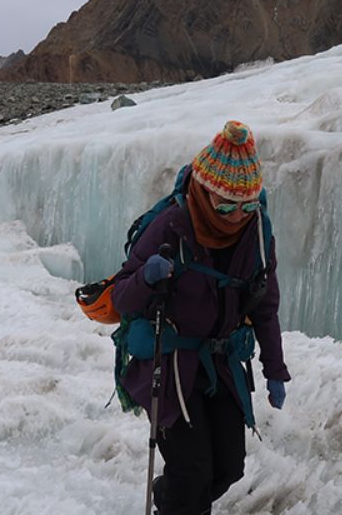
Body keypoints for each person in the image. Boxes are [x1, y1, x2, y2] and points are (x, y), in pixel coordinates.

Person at [112, 120, 291, 515]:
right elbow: (121, 297)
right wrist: (145, 275)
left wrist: (274, 368)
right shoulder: (170, 226)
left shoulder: (257, 232)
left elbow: (265, 305)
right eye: (226, 205)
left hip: (222, 365)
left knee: (228, 469)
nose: (236, 216)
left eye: (247, 205)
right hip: (172, 362)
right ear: (204, 191)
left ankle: (170, 498)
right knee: (193, 472)